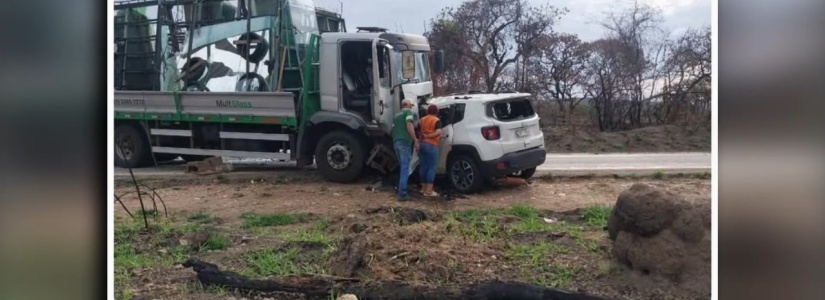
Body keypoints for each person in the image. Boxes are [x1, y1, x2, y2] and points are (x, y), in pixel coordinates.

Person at [392, 99, 419, 200]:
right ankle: (402, 193)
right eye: (411, 105)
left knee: (402, 167)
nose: (411, 107)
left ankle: (401, 188)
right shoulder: (408, 112)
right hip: (404, 143)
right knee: (405, 168)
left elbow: (393, 130)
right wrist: (415, 139)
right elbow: (409, 125)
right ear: (407, 105)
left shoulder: (396, 115)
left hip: (396, 143)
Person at [418, 104, 443, 197]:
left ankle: (423, 188)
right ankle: (429, 191)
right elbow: (438, 132)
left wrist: (423, 137)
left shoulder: (422, 120)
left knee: (423, 166)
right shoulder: (436, 120)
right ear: (437, 112)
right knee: (431, 167)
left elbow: (418, 131)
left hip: (422, 144)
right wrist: (428, 136)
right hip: (432, 145)